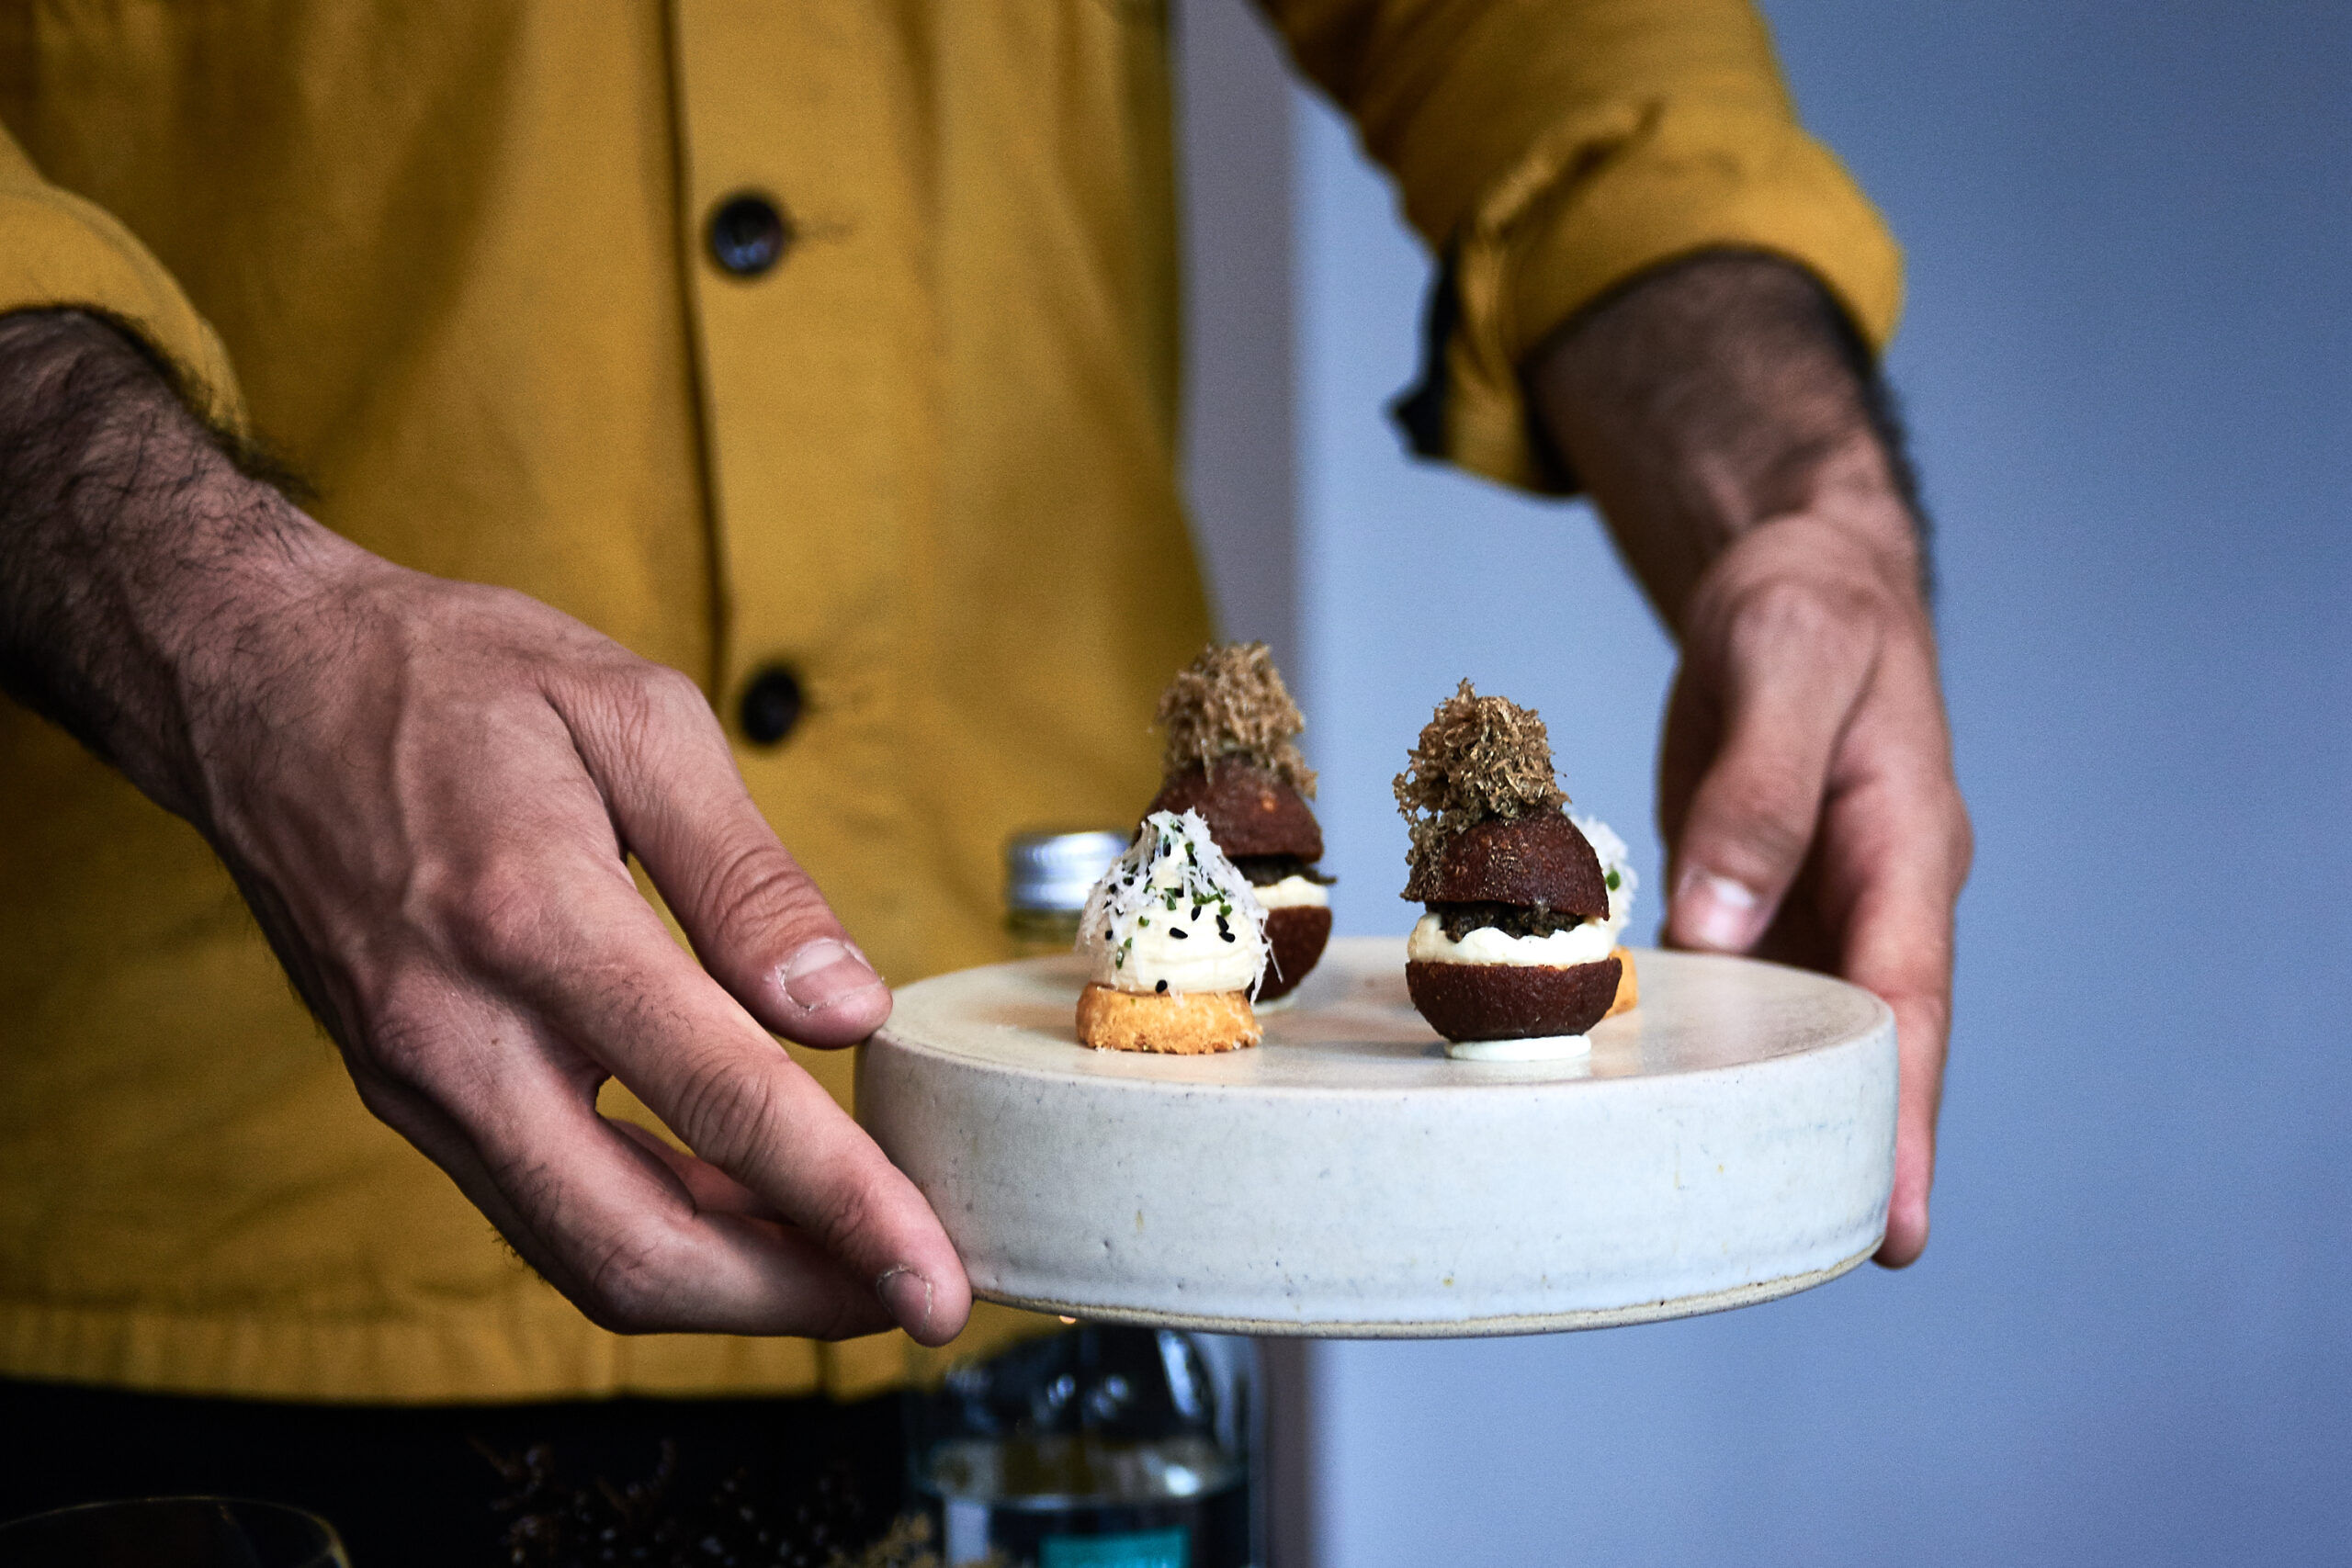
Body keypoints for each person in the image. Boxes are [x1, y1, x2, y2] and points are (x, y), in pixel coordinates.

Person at [0, 0, 1968, 1557]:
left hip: (1093, 1259)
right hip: (211, 1239)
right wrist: (230, 630)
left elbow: (1550, 37)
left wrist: (1798, 491)